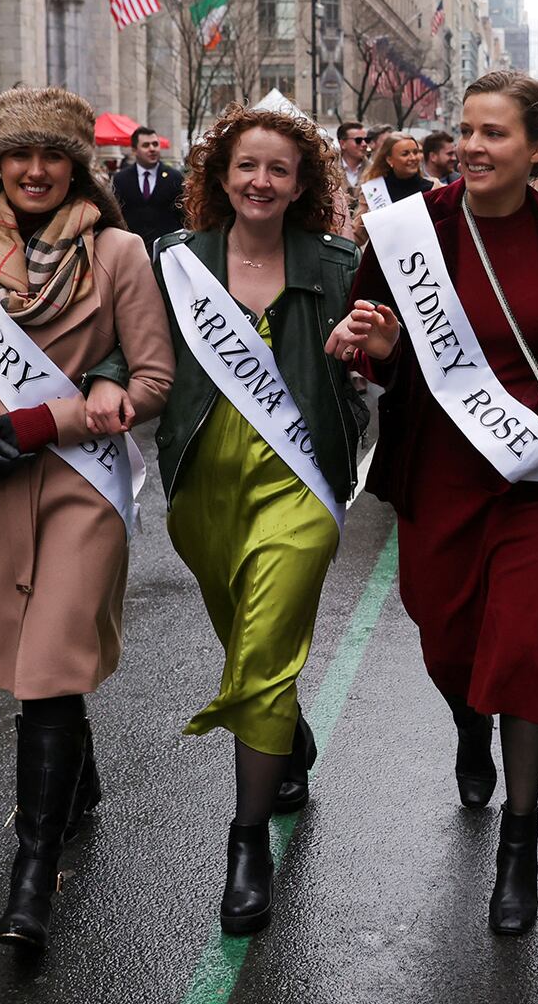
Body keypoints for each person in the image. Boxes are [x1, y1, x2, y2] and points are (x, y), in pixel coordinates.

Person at [327, 70, 538, 935]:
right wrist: (374, 343)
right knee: (446, 634)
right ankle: (467, 718)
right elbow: (370, 336)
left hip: (532, 475)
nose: (477, 147)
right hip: (439, 468)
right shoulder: (412, 231)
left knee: (523, 644)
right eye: (469, 132)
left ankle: (519, 845)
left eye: (497, 134)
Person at [0, 86, 174, 950]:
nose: (33, 170)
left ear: (76, 166)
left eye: (52, 155)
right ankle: (77, 776)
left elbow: (152, 383)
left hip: (79, 482)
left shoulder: (122, 252)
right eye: (16, 156)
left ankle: (31, 879)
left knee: (48, 665)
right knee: (37, 667)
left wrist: (44, 418)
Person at [151, 106, 360, 937]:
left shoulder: (340, 264)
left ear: (302, 183)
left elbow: (386, 361)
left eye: (279, 169)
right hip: (201, 481)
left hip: (299, 483)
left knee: (265, 645)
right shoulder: (176, 263)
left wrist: (367, 344)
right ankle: (289, 738)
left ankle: (246, 844)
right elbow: (137, 354)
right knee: (250, 644)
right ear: (220, 176)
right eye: (246, 167)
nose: (261, 182)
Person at [350, 130, 435, 242]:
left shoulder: (433, 188)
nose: (413, 158)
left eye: (416, 152)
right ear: (389, 159)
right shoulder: (374, 190)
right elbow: (358, 236)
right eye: (405, 154)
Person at [113, 126, 185, 245]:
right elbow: (117, 215)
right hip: (132, 248)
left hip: (167, 248)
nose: (152, 149)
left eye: (155, 144)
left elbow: (182, 214)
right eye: (146, 145)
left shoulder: (174, 177)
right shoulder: (121, 179)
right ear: (134, 150)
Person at [335, 121, 369, 189]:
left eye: (366, 140)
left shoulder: (374, 171)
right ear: (343, 144)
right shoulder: (328, 172)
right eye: (358, 140)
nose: (364, 144)